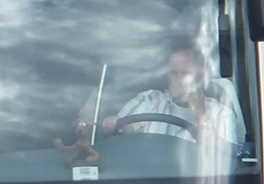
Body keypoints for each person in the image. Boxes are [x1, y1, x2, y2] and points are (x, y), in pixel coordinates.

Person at [100, 43, 238, 143]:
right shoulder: (148, 100)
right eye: (174, 74)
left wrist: (200, 114)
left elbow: (225, 162)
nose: (178, 80)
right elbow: (121, 136)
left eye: (185, 74)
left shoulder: (222, 115)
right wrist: (113, 126)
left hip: (194, 182)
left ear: (201, 77)